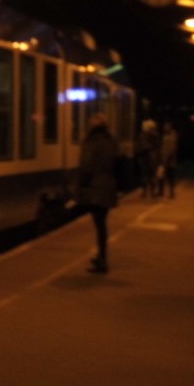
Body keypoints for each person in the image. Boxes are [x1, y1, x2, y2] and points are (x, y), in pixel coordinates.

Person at [78, 113, 118, 274]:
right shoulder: (111, 140)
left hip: (96, 186)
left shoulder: (92, 141)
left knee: (99, 224)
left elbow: (86, 165)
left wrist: (82, 183)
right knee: (102, 224)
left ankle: (102, 260)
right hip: (108, 185)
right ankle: (101, 257)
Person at [135, 119, 161, 198]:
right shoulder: (155, 135)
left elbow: (140, 146)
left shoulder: (143, 135)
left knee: (145, 175)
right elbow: (158, 147)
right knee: (151, 175)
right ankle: (152, 191)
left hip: (144, 157)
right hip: (152, 157)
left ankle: (145, 191)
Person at [160, 120, 179, 199]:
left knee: (170, 176)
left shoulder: (172, 136)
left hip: (169, 160)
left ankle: (171, 192)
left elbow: (171, 148)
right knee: (164, 176)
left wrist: (167, 158)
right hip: (165, 159)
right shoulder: (166, 135)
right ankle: (163, 191)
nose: (165, 128)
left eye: (166, 126)